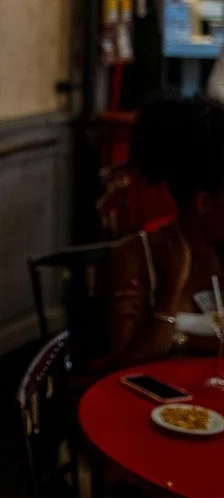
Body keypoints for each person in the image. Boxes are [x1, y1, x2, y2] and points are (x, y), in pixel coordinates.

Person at [102, 94, 224, 369]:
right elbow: (122, 369)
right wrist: (172, 288)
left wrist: (181, 340)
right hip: (155, 407)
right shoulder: (136, 257)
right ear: (203, 202)